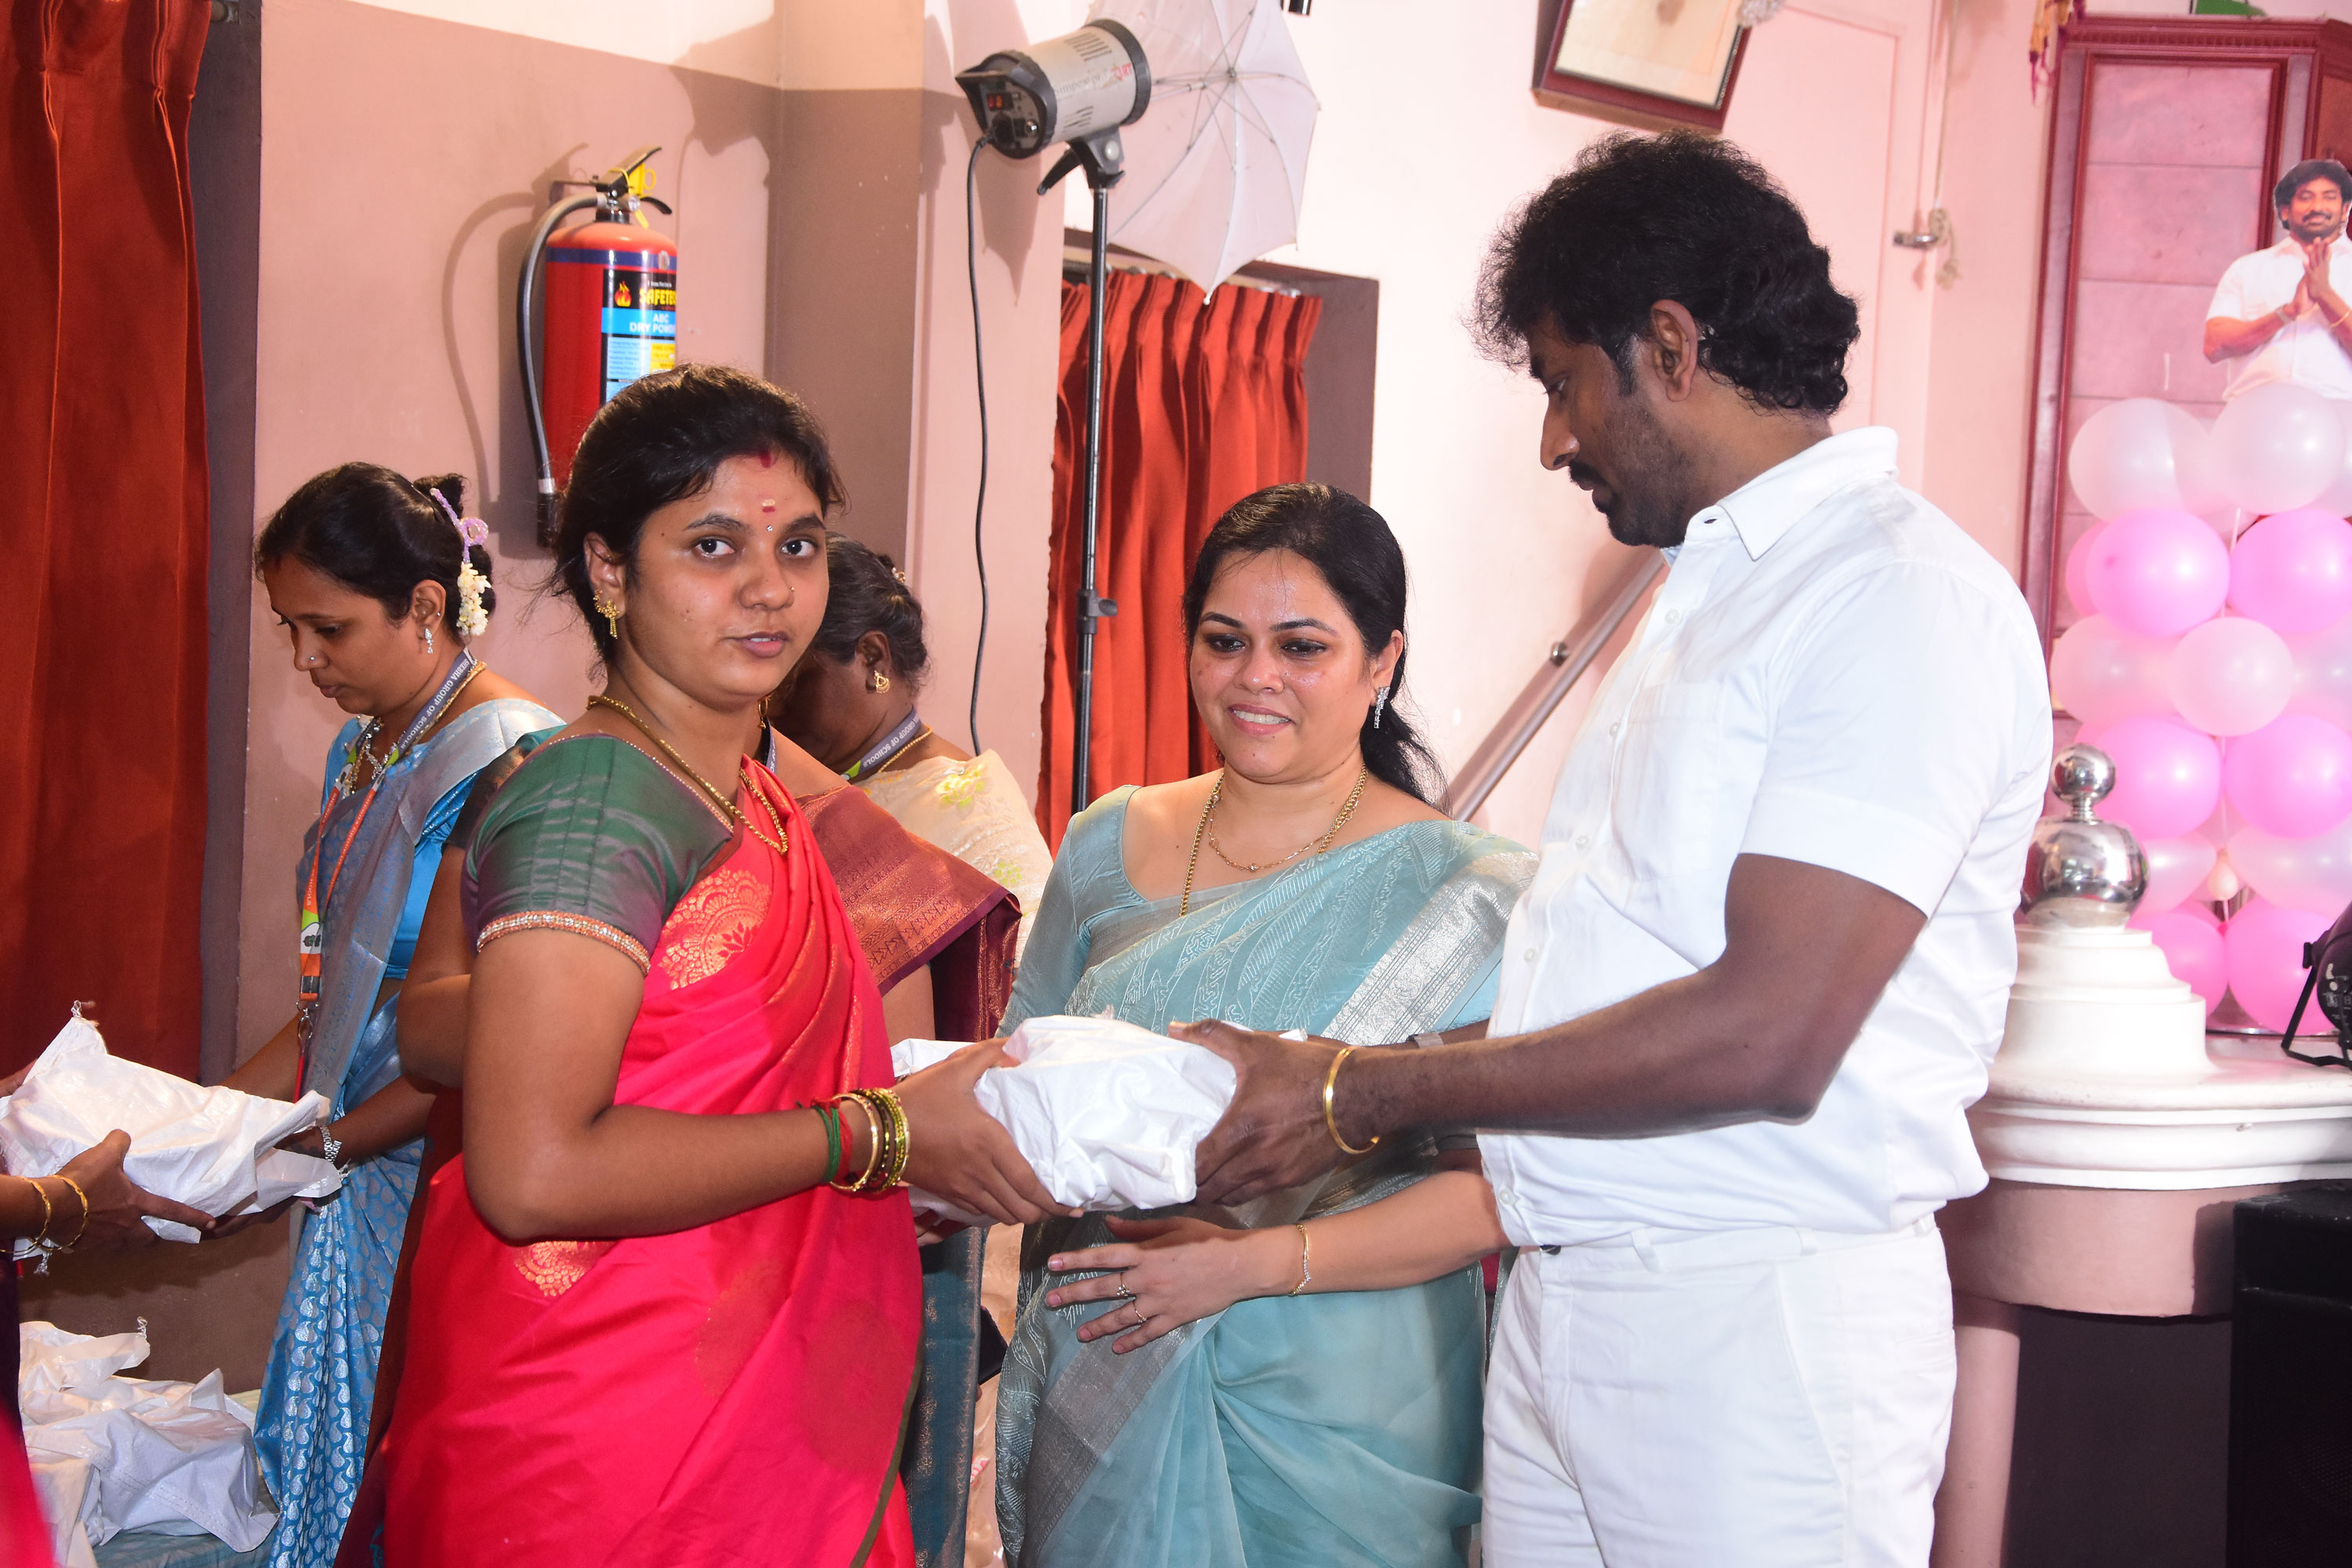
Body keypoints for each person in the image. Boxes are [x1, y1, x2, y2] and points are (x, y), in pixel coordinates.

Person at [1177, 131, 2052, 1567]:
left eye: (1563, 381)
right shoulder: (1701, 593)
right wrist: (1329, 1064)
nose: (1554, 441)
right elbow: (1615, 988)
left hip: (1754, 1328)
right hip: (1571, 1295)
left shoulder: (1895, 597)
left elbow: (1772, 1033)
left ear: (1671, 345)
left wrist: (1356, 1092)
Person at [366, 363, 1060, 1566]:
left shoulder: (751, 793)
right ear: (609, 570)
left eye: (800, 546)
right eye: (712, 545)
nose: (769, 587)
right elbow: (532, 1174)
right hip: (611, 1437)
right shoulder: (596, 800)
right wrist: (877, 1136)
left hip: (735, 1396)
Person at [992, 482, 1535, 1568]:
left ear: (1382, 662)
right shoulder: (1105, 843)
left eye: (1302, 647)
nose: (1255, 678)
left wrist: (1250, 1264)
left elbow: (1495, 1195)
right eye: (1225, 639)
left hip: (1345, 1399)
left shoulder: (1473, 894)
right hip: (1105, 1343)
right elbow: (1013, 1085)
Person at [223, 465, 559, 1567]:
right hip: (346, 1162)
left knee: (412, 1468)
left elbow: (513, 1035)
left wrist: (312, 1149)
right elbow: (331, 1001)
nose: (305, 660)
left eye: (328, 628)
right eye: (290, 628)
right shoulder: (363, 747)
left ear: (423, 606)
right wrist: (210, 1121)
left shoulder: (516, 763)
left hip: (440, 1178)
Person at [769, 534, 1054, 959]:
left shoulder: (972, 813)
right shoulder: (798, 778)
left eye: (790, 677)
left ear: (872, 657)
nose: (768, 704)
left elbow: (1015, 982)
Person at [2205, 158, 2352, 400]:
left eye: (2329, 197)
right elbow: (2214, 347)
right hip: (2255, 410)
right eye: (2305, 197)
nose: (2318, 206)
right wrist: (2287, 313)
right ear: (2285, 211)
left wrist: (2325, 295)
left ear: (2345, 209)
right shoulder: (2249, 268)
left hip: (2339, 412)